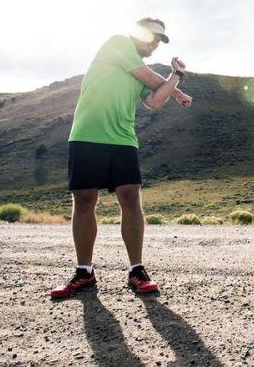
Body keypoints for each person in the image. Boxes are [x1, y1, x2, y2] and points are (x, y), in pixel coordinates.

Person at [50, 18, 193, 298]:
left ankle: (136, 270)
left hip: (123, 139)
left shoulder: (138, 70)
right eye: (151, 36)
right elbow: (152, 81)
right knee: (84, 201)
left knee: (130, 198)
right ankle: (84, 272)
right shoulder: (118, 43)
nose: (153, 43)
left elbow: (154, 100)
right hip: (87, 135)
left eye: (159, 41)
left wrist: (177, 76)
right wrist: (179, 93)